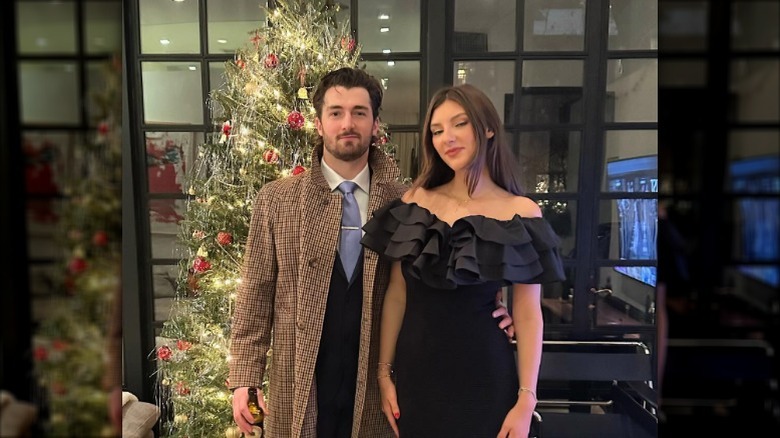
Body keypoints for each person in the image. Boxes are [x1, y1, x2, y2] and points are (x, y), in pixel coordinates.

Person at [228, 68, 515, 438]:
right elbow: (255, 291)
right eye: (336, 113)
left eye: (359, 112)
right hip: (298, 377)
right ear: (319, 124)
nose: (348, 123)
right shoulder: (277, 200)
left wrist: (494, 307)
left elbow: (442, 279)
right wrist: (245, 377)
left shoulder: (410, 202)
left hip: (380, 380)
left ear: (375, 124)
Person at [361, 83, 565, 437]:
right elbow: (397, 295)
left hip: (485, 377)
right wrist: (383, 373)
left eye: (459, 124)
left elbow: (528, 313)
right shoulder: (415, 202)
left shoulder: (521, 212)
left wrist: (526, 400)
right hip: (417, 377)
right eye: (437, 130)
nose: (448, 138)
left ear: (487, 128)